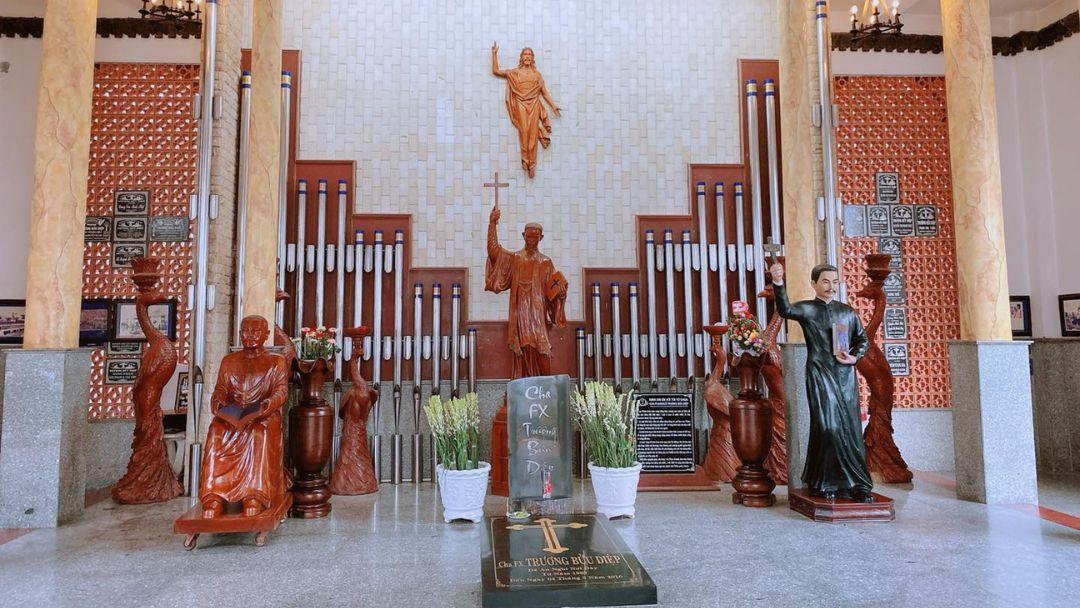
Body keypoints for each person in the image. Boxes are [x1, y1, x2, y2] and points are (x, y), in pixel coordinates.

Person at [769, 262, 874, 502]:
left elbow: (862, 341)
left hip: (845, 377)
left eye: (834, 282)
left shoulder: (847, 311)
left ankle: (857, 483)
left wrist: (854, 357)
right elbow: (785, 310)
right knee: (828, 427)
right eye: (825, 281)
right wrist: (778, 282)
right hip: (819, 373)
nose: (830, 286)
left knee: (851, 429)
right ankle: (825, 481)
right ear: (814, 284)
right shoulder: (807, 309)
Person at [200, 315, 290, 518]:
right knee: (216, 431)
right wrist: (218, 403)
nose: (249, 336)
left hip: (262, 416)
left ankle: (255, 494)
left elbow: (281, 391)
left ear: (266, 335)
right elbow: (220, 390)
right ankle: (213, 495)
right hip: (234, 416)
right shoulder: (229, 361)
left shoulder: (276, 362)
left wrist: (267, 404)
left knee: (258, 433)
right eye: (245, 331)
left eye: (255, 331)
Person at [485, 206, 567, 378]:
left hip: (538, 316)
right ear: (523, 236)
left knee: (542, 350)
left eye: (535, 238)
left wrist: (560, 295)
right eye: (528, 237)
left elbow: (554, 291)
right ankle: (522, 392)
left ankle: (545, 390)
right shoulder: (515, 259)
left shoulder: (546, 263)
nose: (531, 241)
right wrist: (492, 224)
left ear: (541, 238)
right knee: (522, 350)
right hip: (520, 315)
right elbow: (494, 253)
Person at [491, 43, 561, 178]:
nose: (527, 56)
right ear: (521, 58)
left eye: (529, 55)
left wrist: (553, 106)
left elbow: (544, 93)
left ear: (532, 58)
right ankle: (525, 159)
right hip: (520, 103)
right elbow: (496, 71)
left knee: (533, 133)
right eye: (525, 54)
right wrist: (494, 54)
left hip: (534, 103)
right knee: (524, 131)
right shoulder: (515, 73)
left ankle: (532, 164)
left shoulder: (537, 75)